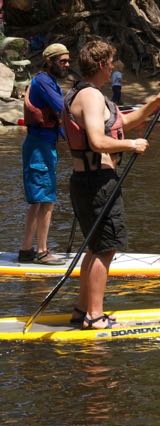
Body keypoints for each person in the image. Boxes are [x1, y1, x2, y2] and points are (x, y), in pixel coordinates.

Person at [62, 39, 160, 330]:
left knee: (95, 247)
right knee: (105, 249)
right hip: (97, 183)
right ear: (100, 64)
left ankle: (82, 310)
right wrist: (131, 144)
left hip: (88, 182)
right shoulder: (92, 97)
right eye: (111, 62)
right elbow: (98, 142)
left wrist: (154, 103)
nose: (114, 67)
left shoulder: (88, 94)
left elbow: (125, 120)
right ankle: (95, 315)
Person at [19, 43, 71, 265]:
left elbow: (59, 120)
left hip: (43, 146)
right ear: (49, 61)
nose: (67, 64)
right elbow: (63, 108)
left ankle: (26, 250)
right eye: (62, 61)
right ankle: (42, 251)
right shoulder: (42, 81)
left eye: (68, 60)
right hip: (39, 147)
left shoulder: (50, 82)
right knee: (47, 200)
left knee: (38, 201)